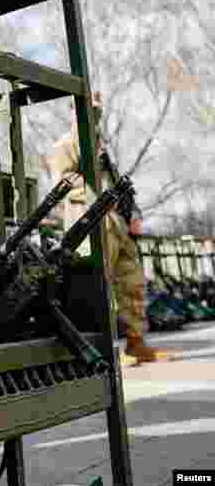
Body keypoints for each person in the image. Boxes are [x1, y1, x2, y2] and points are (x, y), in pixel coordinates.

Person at [49, 92, 171, 363]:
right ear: (75, 112)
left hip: (117, 221)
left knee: (132, 282)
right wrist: (98, 190)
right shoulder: (66, 145)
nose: (95, 117)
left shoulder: (100, 145)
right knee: (98, 286)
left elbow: (117, 184)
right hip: (91, 219)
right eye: (89, 111)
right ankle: (108, 347)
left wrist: (131, 213)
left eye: (98, 112)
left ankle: (136, 342)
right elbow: (62, 183)